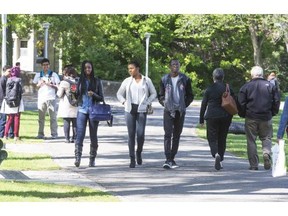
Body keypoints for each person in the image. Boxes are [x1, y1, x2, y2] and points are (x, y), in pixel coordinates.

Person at [237, 66, 280, 171]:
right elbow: (276, 101)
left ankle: (254, 164)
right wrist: (273, 112)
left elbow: (241, 103)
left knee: (251, 140)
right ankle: (266, 153)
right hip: (266, 117)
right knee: (266, 138)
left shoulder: (246, 87)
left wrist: (243, 114)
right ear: (262, 74)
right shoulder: (270, 86)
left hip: (251, 117)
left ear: (252, 75)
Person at [117, 60, 157, 168]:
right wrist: (124, 102)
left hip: (142, 109)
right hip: (130, 109)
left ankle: (138, 152)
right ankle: (132, 158)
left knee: (140, 134)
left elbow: (154, 93)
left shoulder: (146, 80)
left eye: (132, 68)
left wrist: (147, 102)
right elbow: (119, 94)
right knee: (131, 134)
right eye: (129, 69)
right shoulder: (127, 81)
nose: (130, 70)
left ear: (138, 68)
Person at [158, 59, 194, 169]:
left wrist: (184, 105)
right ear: (170, 67)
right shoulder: (164, 79)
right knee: (167, 134)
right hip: (168, 111)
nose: (175, 66)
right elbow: (160, 95)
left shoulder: (185, 79)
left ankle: (172, 157)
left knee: (177, 135)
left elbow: (190, 95)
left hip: (180, 111)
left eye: (177, 65)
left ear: (179, 66)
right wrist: (165, 103)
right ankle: (167, 158)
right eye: (173, 65)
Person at [199, 68, 235, 170]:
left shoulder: (209, 89)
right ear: (223, 77)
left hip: (212, 116)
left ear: (213, 77)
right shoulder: (227, 88)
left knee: (212, 137)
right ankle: (221, 158)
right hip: (225, 116)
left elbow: (204, 105)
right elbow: (234, 100)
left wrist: (201, 119)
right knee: (222, 137)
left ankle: (215, 154)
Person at [74, 60, 104, 168]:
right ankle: (77, 158)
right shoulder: (79, 81)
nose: (88, 69)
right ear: (83, 69)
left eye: (89, 68)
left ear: (92, 68)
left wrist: (93, 94)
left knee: (93, 136)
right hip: (82, 110)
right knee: (79, 135)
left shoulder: (96, 81)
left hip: (93, 111)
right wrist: (74, 91)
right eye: (86, 68)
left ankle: (92, 159)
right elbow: (76, 96)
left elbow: (101, 98)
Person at [32, 58, 60, 139]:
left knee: (53, 117)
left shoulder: (54, 74)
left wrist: (50, 84)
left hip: (51, 98)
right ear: (41, 66)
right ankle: (40, 134)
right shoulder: (38, 75)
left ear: (49, 65)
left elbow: (58, 86)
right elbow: (34, 87)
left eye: (47, 65)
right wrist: (39, 84)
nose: (45, 67)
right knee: (41, 118)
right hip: (41, 98)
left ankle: (54, 134)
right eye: (44, 65)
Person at [0, 66, 24, 141]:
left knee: (9, 119)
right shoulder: (18, 80)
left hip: (9, 101)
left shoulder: (8, 80)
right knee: (17, 118)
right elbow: (21, 91)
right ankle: (16, 136)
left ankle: (5, 135)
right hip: (17, 101)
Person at [56, 65, 78, 143]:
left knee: (66, 121)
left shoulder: (64, 82)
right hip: (76, 103)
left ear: (66, 73)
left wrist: (58, 87)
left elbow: (59, 94)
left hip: (66, 104)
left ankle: (67, 138)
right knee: (75, 122)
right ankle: (75, 138)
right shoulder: (77, 81)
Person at [0, 65, 14, 138]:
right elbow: (3, 92)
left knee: (10, 118)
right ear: (4, 71)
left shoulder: (8, 79)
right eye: (9, 71)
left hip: (6, 101)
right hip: (3, 102)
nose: (10, 73)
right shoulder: (3, 79)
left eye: (11, 71)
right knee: (3, 119)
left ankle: (10, 134)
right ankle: (1, 134)